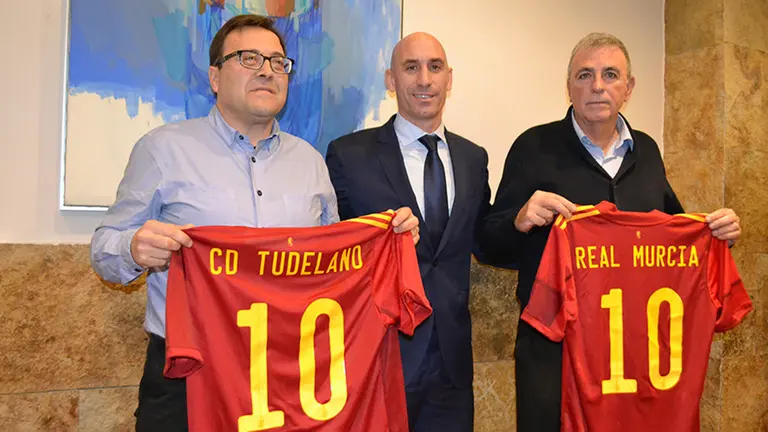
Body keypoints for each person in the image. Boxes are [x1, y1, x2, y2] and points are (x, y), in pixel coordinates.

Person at [89, 14, 418, 432]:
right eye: (249, 58)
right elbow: (103, 250)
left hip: (290, 378)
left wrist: (388, 242)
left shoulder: (310, 163)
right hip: (190, 374)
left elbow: (333, 268)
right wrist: (133, 249)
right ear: (214, 77)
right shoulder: (162, 150)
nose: (267, 71)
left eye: (278, 62)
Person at [479, 32, 742, 432]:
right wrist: (519, 219)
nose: (597, 86)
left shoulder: (647, 152)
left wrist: (716, 234)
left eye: (610, 75)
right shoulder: (533, 147)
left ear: (628, 88)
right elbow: (487, 243)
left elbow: (676, 237)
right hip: (554, 352)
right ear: (569, 87)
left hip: (632, 354)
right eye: (584, 75)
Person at [325, 32, 491, 431]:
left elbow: (485, 242)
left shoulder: (474, 158)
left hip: (452, 366)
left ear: (449, 78)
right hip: (379, 356)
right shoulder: (349, 155)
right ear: (390, 79)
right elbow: (331, 255)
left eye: (435, 67)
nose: (424, 80)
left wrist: (521, 221)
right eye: (411, 67)